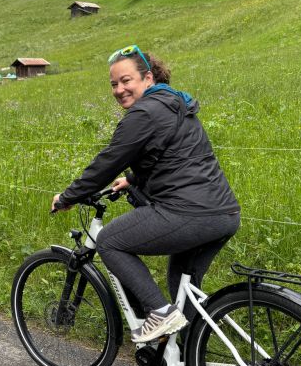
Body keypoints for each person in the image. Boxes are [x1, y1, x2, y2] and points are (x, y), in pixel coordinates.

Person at [51, 44, 240, 344]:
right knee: (182, 285)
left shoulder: (143, 114)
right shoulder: (174, 103)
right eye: (114, 84)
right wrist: (133, 179)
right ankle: (188, 362)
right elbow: (172, 156)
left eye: (126, 80)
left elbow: (106, 163)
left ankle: (160, 313)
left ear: (148, 79)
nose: (119, 89)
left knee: (110, 241)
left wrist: (67, 197)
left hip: (188, 212)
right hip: (222, 213)